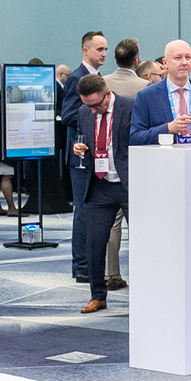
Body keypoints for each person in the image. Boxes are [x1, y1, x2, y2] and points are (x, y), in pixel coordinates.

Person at [71, 74, 132, 313]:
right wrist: (79, 148)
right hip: (99, 184)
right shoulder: (84, 112)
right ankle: (98, 296)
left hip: (129, 184)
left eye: (97, 105)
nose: (93, 110)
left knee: (143, 239)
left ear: (107, 94)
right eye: (88, 106)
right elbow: (82, 138)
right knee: (94, 244)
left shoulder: (130, 106)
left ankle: (149, 293)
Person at [61, 31, 107, 285]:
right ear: (85, 50)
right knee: (82, 210)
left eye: (105, 49)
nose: (104, 54)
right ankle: (81, 266)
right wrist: (96, 113)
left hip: (98, 154)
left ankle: (90, 263)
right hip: (81, 155)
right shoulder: (76, 78)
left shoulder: (100, 78)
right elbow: (68, 115)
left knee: (95, 210)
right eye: (99, 49)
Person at [130, 39, 191, 147]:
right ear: (165, 63)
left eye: (188, 57)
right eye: (178, 58)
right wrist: (168, 128)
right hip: (165, 156)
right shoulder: (147, 96)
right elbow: (135, 137)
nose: (184, 62)